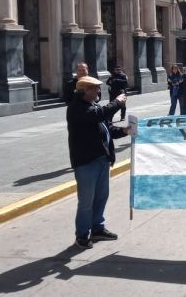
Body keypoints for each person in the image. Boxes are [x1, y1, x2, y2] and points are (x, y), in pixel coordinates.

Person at [67, 76, 129, 249]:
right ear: (84, 91)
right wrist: (117, 102)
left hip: (102, 159)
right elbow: (100, 115)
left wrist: (125, 130)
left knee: (101, 197)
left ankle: (97, 229)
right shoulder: (77, 108)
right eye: (94, 88)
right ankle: (82, 235)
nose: (98, 91)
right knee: (86, 201)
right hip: (87, 162)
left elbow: (107, 128)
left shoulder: (93, 106)